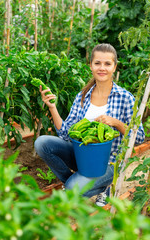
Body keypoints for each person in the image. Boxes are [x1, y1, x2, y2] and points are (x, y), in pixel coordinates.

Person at [34, 43, 145, 206]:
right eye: (97, 63)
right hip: (82, 157)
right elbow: (66, 134)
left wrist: (115, 122)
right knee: (42, 143)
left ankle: (102, 186)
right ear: (91, 66)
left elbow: (140, 138)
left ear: (114, 67)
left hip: (108, 163)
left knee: (73, 188)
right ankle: (76, 184)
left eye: (107, 64)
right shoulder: (83, 96)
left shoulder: (125, 98)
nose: (102, 68)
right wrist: (52, 107)